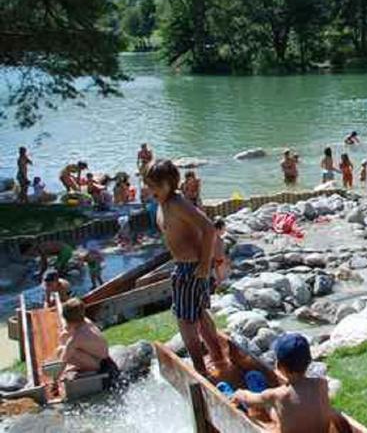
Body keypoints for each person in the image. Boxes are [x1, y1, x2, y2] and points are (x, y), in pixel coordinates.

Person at [144, 159, 227, 379]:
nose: (150, 190)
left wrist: (204, 264)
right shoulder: (163, 203)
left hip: (190, 269)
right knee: (199, 314)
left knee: (185, 320)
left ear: (169, 184)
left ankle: (200, 370)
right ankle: (219, 359)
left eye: (155, 186)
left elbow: (209, 229)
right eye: (148, 185)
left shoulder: (176, 203)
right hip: (186, 266)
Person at [231, 333, 351, 433]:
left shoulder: (278, 395)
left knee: (255, 407)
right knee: (276, 411)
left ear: (279, 365)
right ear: (309, 362)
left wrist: (239, 394)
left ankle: (231, 396)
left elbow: (249, 398)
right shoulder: (322, 384)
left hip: (267, 401)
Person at [51, 298, 117, 382]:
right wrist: (65, 332)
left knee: (60, 351)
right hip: (105, 359)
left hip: (102, 366)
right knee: (64, 336)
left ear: (67, 320)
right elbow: (69, 330)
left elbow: (64, 360)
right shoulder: (86, 321)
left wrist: (55, 379)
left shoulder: (76, 339)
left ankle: (83, 371)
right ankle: (78, 367)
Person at [212, 218, 229, 287]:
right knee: (219, 281)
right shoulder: (216, 240)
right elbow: (217, 256)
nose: (224, 231)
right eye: (223, 229)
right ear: (218, 229)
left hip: (219, 264)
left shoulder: (217, 238)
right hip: (218, 264)